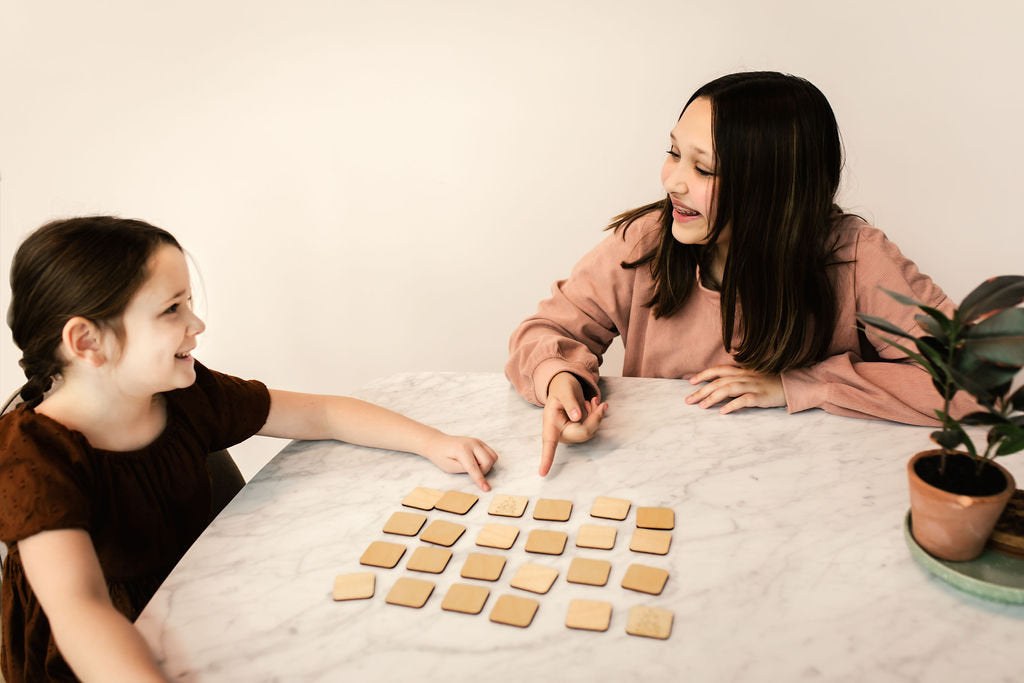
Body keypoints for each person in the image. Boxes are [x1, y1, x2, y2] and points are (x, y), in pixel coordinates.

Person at [0, 216, 498, 682]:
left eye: (190, 302)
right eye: (172, 308)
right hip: (98, 651)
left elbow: (320, 413)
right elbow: (80, 611)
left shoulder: (188, 396)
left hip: (203, 598)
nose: (196, 324)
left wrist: (432, 441)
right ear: (87, 341)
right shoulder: (34, 456)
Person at [506, 71, 970, 476]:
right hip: (659, 477)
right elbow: (543, 332)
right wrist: (558, 379)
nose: (672, 181)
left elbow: (967, 383)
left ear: (775, 189)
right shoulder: (646, 240)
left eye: (703, 167)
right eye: (673, 152)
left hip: (816, 487)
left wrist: (803, 383)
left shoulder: (855, 256)